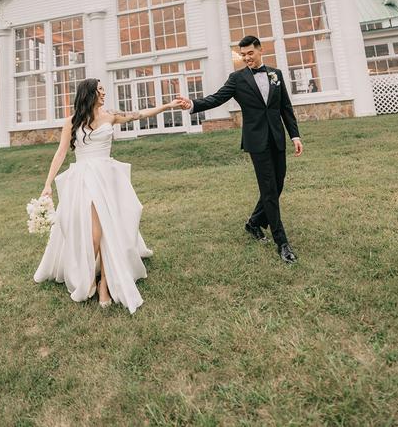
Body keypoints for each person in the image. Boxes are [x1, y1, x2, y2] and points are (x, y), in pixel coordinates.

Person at [34, 78, 182, 313]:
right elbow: (61, 153)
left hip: (107, 178)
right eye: (100, 90)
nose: (104, 94)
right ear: (89, 94)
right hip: (83, 180)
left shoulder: (111, 115)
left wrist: (168, 106)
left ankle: (103, 284)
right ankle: (89, 279)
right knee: (95, 235)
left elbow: (140, 114)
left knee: (103, 230)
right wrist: (47, 184)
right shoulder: (71, 122)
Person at [177, 35, 303, 264]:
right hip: (256, 142)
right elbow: (217, 98)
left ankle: (254, 223)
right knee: (269, 189)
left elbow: (285, 107)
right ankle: (282, 242)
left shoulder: (277, 74)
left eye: (250, 54)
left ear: (260, 50)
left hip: (277, 137)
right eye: (242, 55)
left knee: (278, 183)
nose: (246, 59)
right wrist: (194, 104)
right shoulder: (237, 79)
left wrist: (294, 135)